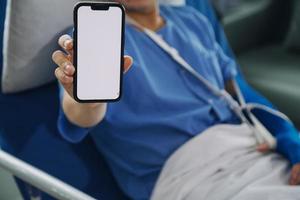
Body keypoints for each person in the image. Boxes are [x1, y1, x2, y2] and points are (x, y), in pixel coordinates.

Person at [52, 0, 300, 199]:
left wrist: (290, 138)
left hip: (257, 153)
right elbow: (81, 115)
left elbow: (240, 92)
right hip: (191, 178)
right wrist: (84, 97)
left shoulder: (193, 21)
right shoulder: (93, 38)